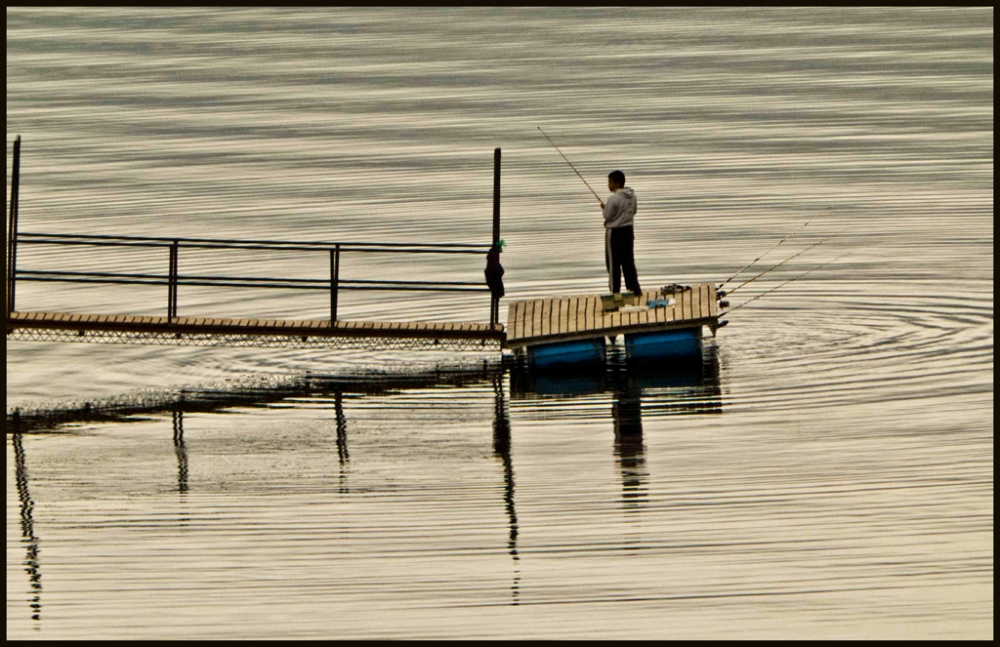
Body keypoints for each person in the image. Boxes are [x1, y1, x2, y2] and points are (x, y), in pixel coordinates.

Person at [599, 170, 642, 296]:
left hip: (614, 233)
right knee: (628, 261)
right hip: (628, 230)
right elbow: (633, 211)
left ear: (617, 183)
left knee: (613, 263)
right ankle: (634, 289)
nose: (609, 185)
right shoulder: (632, 195)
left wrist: (605, 208)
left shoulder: (613, 198)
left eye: (610, 182)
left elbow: (607, 215)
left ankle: (615, 291)